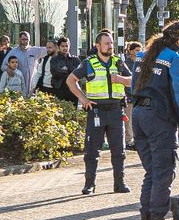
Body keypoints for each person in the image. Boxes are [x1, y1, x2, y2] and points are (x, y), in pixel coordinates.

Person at [130, 21, 179, 220]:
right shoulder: (176, 59)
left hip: (138, 116)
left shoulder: (142, 55)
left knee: (152, 172)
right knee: (164, 172)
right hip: (158, 118)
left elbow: (133, 87)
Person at [67, 30, 132, 195]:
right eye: (107, 43)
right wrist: (83, 99)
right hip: (96, 112)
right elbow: (71, 80)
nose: (110, 46)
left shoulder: (118, 62)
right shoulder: (89, 63)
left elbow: (133, 80)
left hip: (116, 111)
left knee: (119, 150)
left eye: (111, 43)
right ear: (98, 46)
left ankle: (120, 184)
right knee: (92, 151)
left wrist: (120, 79)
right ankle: (90, 184)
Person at [6, 31, 45, 98]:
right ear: (19, 40)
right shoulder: (13, 52)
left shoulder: (34, 51)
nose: (25, 41)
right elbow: (4, 65)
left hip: (32, 86)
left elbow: (49, 50)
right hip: (18, 86)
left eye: (27, 39)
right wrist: (10, 70)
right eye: (23, 39)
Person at [122, 40, 143, 148]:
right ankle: (129, 140)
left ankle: (136, 139)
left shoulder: (142, 62)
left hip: (140, 96)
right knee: (128, 119)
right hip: (129, 95)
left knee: (137, 119)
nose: (139, 52)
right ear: (130, 51)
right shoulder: (126, 63)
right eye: (137, 50)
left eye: (140, 50)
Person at [50, 38, 81, 104]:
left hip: (73, 89)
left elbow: (78, 74)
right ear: (58, 47)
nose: (65, 48)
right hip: (59, 88)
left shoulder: (75, 59)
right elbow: (56, 73)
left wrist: (64, 70)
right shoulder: (54, 59)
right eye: (62, 46)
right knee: (60, 111)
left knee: (73, 111)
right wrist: (71, 73)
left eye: (66, 46)